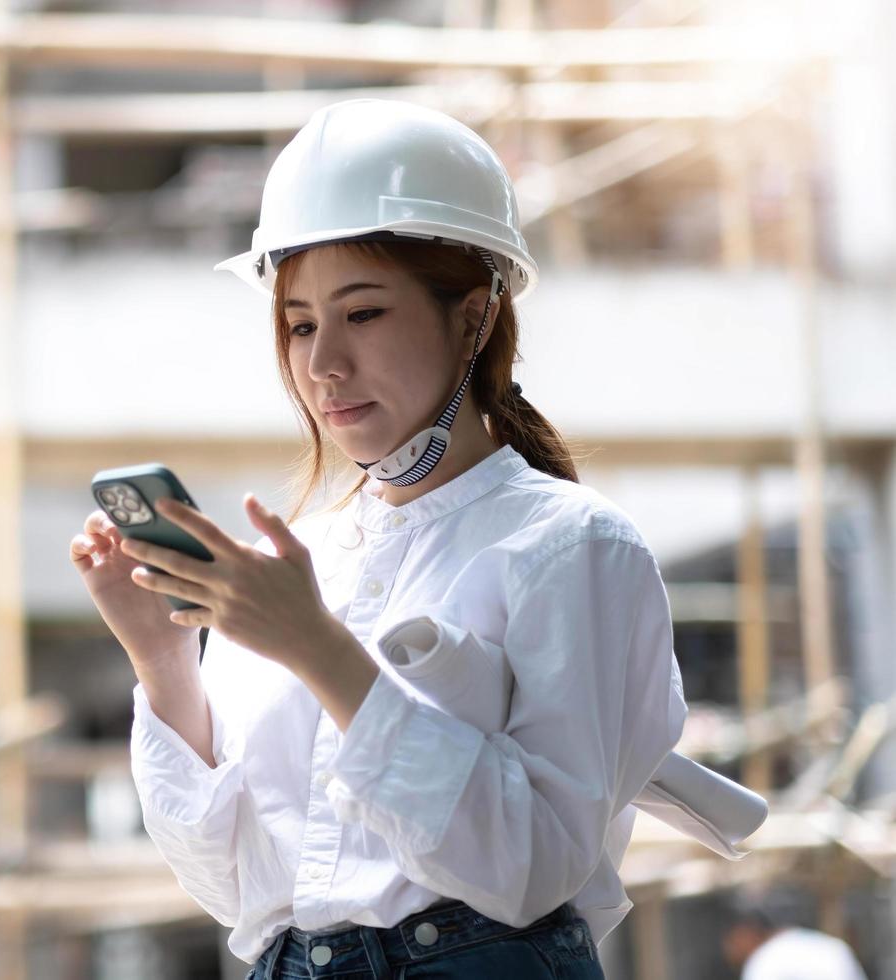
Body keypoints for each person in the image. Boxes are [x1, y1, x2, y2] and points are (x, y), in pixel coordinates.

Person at [69, 99, 689, 979]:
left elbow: (528, 868)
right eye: (299, 324)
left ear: (472, 317)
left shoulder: (569, 544)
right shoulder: (297, 561)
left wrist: (318, 646)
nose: (323, 365)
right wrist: (162, 656)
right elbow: (231, 885)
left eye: (362, 314)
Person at [723, 894, 868, 980]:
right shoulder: (834, 946)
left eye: (733, 941)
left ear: (749, 932)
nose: (731, 950)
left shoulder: (766, 960)